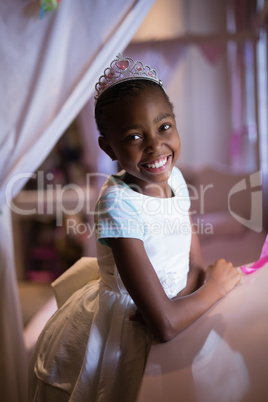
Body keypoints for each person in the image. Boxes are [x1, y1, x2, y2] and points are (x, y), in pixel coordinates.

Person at [28, 54, 241, 402]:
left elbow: (195, 265)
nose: (155, 145)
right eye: (133, 136)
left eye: (164, 126)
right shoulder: (118, 204)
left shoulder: (177, 179)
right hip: (125, 332)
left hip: (177, 306)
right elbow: (165, 325)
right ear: (108, 146)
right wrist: (213, 288)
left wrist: (178, 300)